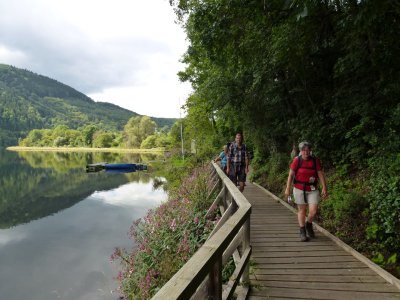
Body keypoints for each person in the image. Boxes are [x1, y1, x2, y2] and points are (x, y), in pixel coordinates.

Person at [284, 141, 328, 242]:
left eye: (308, 150)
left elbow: (320, 174)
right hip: (299, 189)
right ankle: (302, 231)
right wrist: (287, 188)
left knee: (313, 211)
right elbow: (290, 175)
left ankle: (308, 224)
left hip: (312, 189)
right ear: (300, 151)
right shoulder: (297, 161)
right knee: (302, 210)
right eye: (304, 150)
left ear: (310, 151)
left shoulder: (315, 161)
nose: (306, 152)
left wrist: (324, 187)